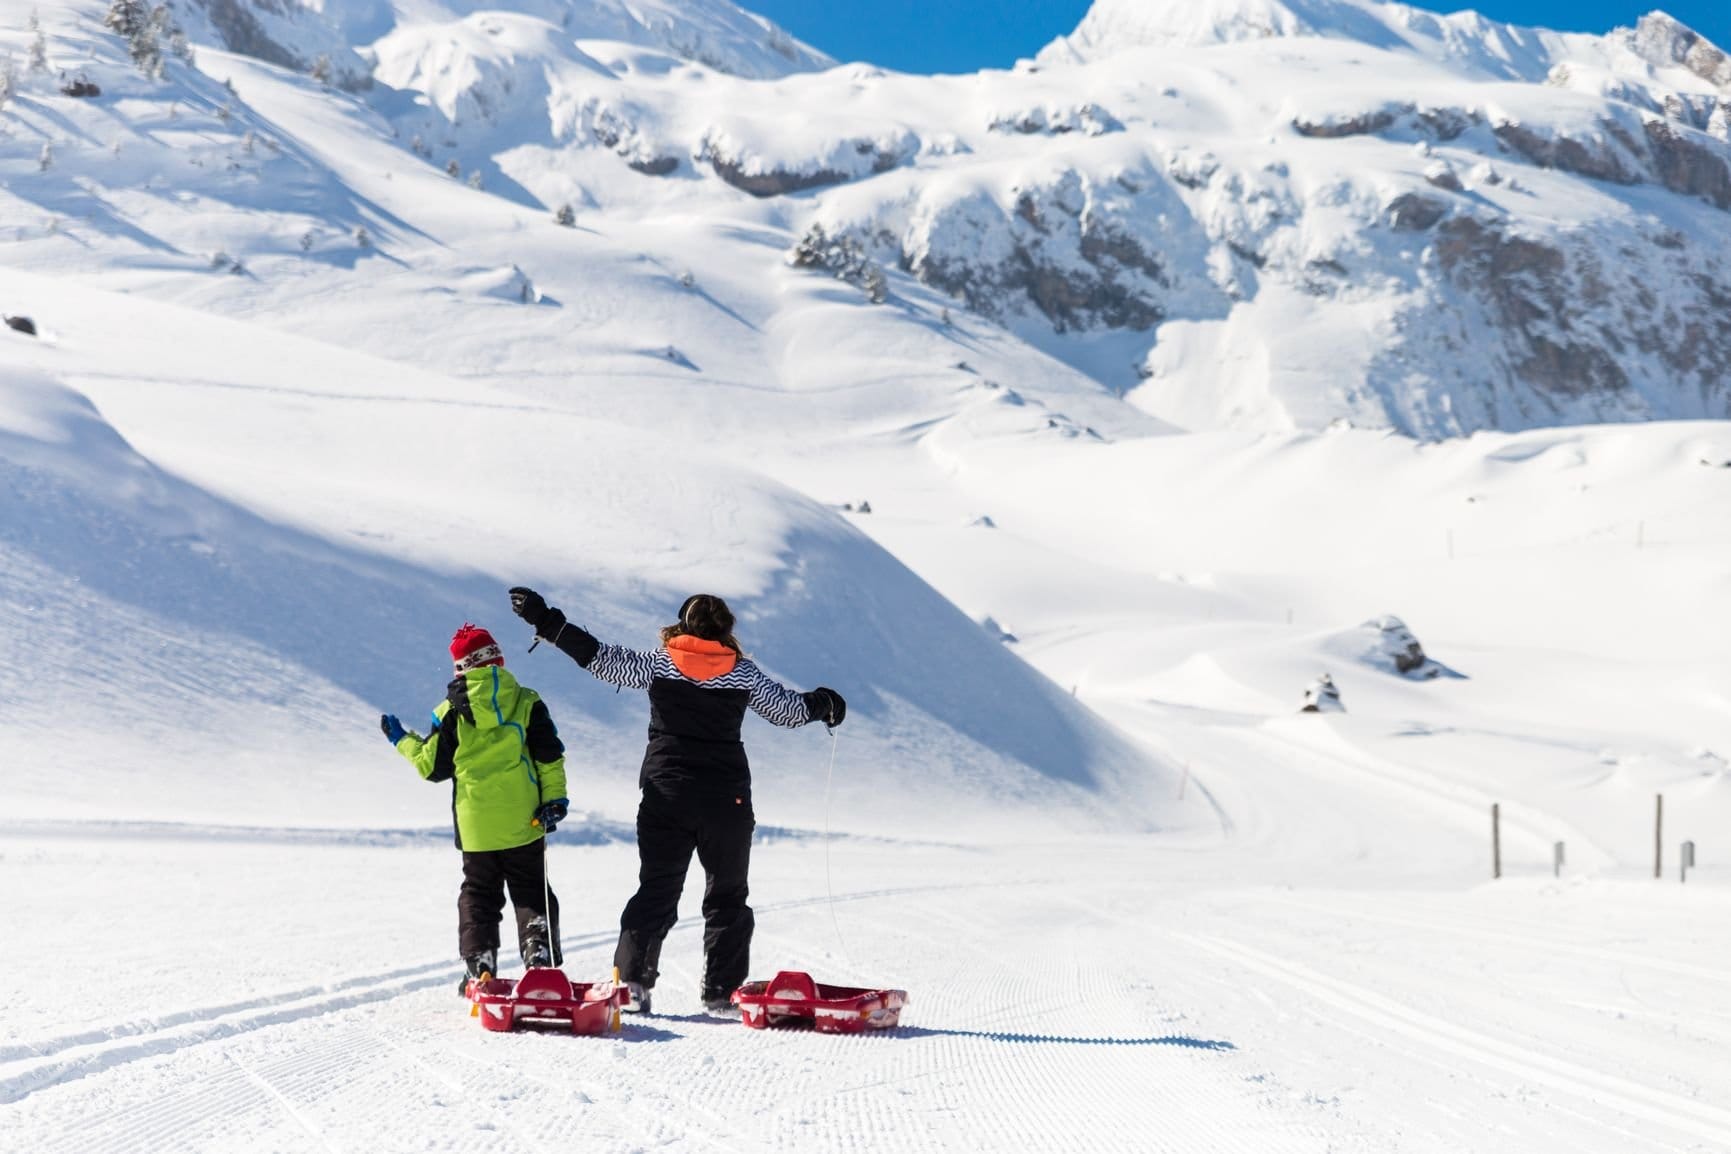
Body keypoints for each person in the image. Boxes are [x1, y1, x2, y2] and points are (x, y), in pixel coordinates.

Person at [506, 587, 845, 1014]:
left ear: (682, 625)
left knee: (656, 890)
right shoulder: (743, 673)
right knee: (727, 896)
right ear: (725, 630)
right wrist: (825, 703)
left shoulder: (660, 663)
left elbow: (599, 658)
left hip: (667, 795)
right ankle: (721, 992)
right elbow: (789, 712)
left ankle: (631, 984)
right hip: (727, 801)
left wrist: (546, 621)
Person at [380, 624, 570, 993]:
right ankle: (539, 958)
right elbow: (549, 758)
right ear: (497, 660)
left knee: (479, 895)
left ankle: (479, 965)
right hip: (524, 819)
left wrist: (402, 740)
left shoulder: (448, 712)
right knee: (531, 890)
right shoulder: (528, 701)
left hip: (476, 826)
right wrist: (555, 800)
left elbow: (431, 767)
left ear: (460, 668)